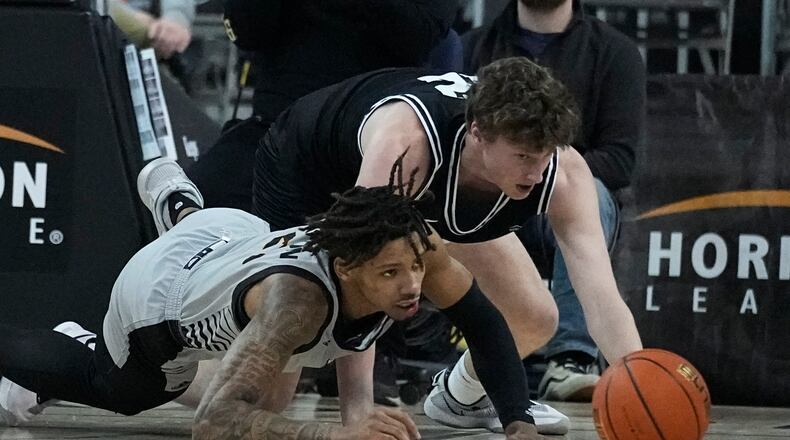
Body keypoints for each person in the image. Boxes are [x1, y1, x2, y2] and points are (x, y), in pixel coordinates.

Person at [0, 157, 545, 439]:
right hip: (158, 300)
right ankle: (78, 342)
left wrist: (517, 423)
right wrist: (338, 433)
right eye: (392, 273)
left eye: (418, 268)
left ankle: (183, 212)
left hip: (234, 234)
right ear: (348, 268)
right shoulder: (296, 305)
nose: (413, 285)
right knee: (124, 390)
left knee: (274, 393)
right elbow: (213, 424)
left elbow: (483, 321)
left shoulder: (406, 246)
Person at [250, 56, 643, 435]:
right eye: (523, 156)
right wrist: (359, 415)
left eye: (543, 157)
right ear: (477, 134)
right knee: (270, 396)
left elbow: (602, 299)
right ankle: (188, 368)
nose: (536, 172)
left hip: (424, 193)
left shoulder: (562, 172)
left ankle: (461, 398)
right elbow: (362, 283)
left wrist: (641, 385)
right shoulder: (407, 148)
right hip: (307, 169)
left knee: (533, 317)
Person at [461, 0, 646, 402]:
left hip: (560, 202)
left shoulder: (615, 51)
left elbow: (618, 160)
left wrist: (544, 168)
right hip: (484, 192)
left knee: (592, 194)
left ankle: (573, 359)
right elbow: (455, 140)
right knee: (438, 195)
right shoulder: (472, 46)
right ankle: (448, 355)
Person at [188, 0, 459, 211]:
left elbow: (419, 38)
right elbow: (246, 32)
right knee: (195, 199)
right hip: (277, 128)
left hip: (366, 133)